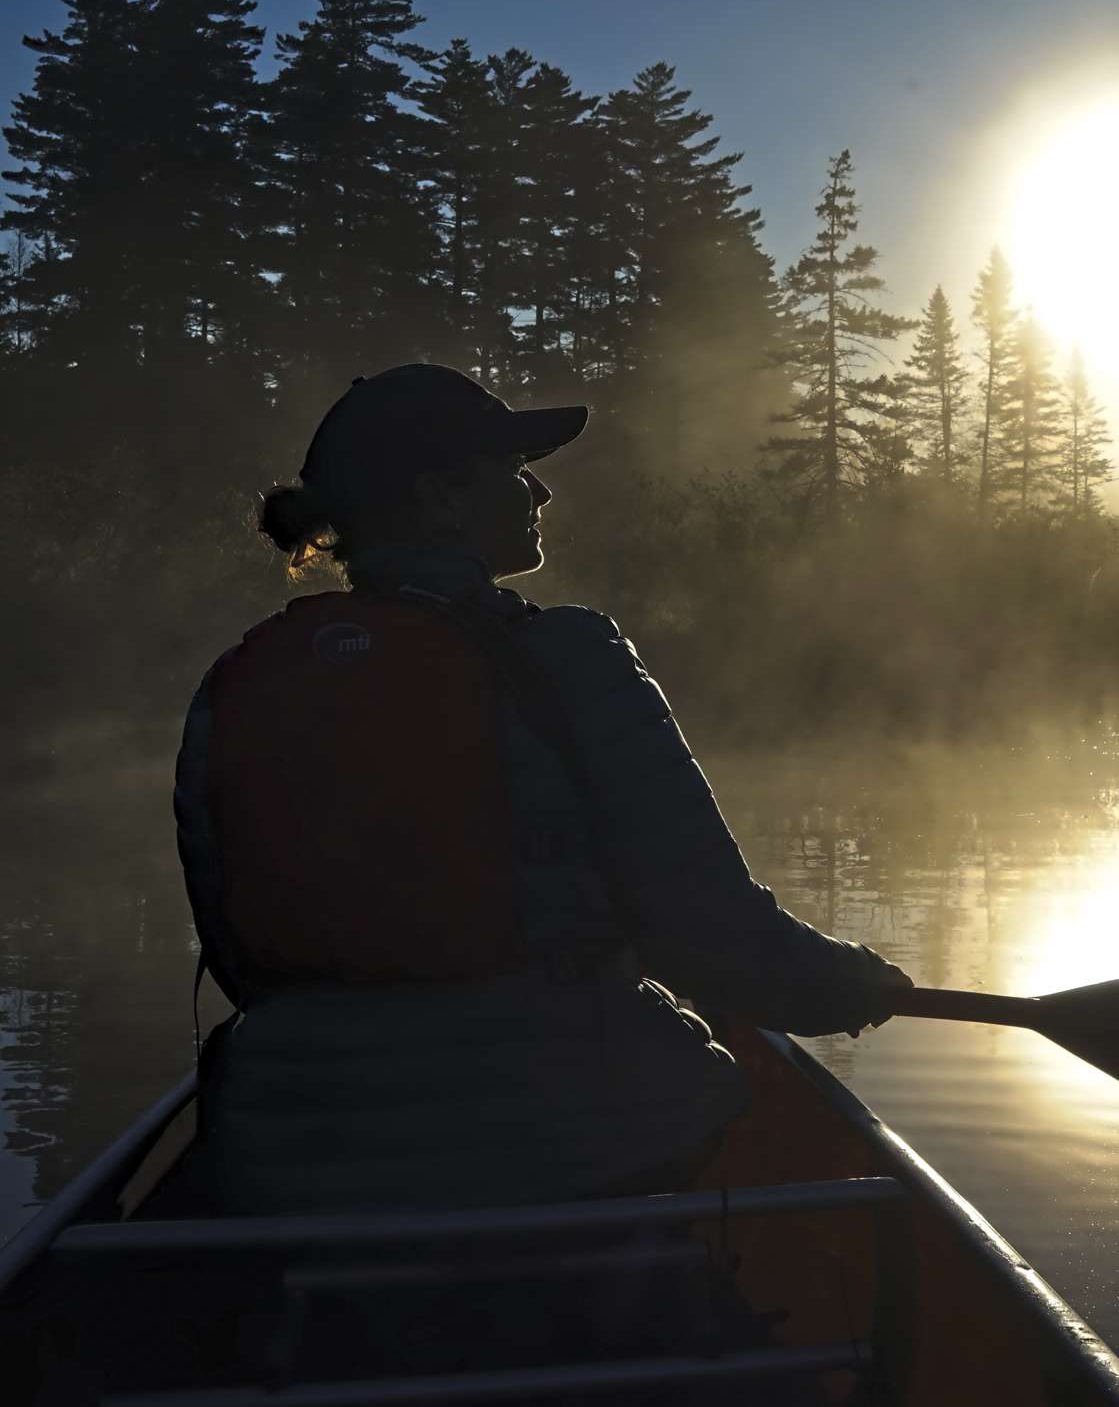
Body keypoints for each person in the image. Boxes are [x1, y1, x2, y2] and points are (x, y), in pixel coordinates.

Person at [172, 362, 912, 1217]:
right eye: (514, 468)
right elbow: (709, 931)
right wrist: (853, 984)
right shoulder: (567, 657)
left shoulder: (234, 685)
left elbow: (235, 952)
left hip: (283, 1163)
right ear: (441, 495)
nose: (541, 493)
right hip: (573, 1154)